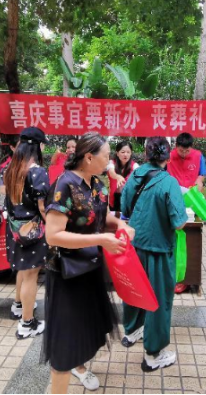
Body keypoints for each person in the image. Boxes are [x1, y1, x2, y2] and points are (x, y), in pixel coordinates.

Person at [43, 132, 135, 394]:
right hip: (67, 274)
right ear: (88, 158)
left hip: (89, 268)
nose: (110, 161)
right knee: (64, 345)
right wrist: (101, 239)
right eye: (106, 156)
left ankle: (80, 365)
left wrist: (120, 225)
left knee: (83, 330)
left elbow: (102, 216)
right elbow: (53, 235)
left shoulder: (96, 183)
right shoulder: (64, 185)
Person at [120, 137, 188, 372]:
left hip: (134, 246)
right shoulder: (169, 183)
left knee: (133, 291)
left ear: (146, 154)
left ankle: (131, 331)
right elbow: (179, 222)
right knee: (158, 301)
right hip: (159, 249)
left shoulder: (134, 177)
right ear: (168, 157)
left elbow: (125, 210)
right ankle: (153, 354)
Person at [4, 127, 49, 338]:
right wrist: (54, 226)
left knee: (23, 271)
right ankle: (27, 324)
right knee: (31, 276)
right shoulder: (37, 172)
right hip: (33, 232)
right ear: (37, 146)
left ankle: (19, 307)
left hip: (15, 230)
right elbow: (42, 208)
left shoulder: (11, 169)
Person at [167, 132, 206, 294]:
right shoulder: (168, 156)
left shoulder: (198, 156)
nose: (184, 153)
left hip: (190, 202)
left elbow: (201, 177)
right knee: (172, 237)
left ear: (191, 147)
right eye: (181, 150)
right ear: (176, 146)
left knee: (191, 236)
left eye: (187, 151)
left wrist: (198, 186)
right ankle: (172, 273)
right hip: (172, 201)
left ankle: (187, 276)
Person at [107, 140, 139, 212]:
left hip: (128, 198)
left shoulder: (135, 166)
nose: (125, 155)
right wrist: (117, 177)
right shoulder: (111, 163)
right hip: (114, 197)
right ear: (117, 153)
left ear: (131, 153)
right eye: (123, 152)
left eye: (128, 152)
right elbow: (111, 172)